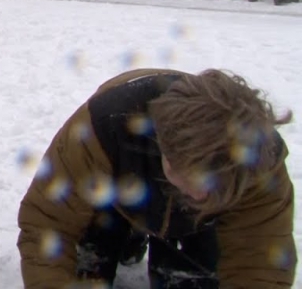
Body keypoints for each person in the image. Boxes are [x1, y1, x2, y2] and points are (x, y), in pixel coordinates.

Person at [17, 68, 296, 288]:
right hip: (114, 184)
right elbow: (48, 225)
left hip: (191, 210)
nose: (198, 195)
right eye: (188, 178)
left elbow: (260, 266)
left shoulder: (259, 163)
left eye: (212, 185)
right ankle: (129, 233)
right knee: (87, 268)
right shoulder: (100, 129)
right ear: (161, 144)